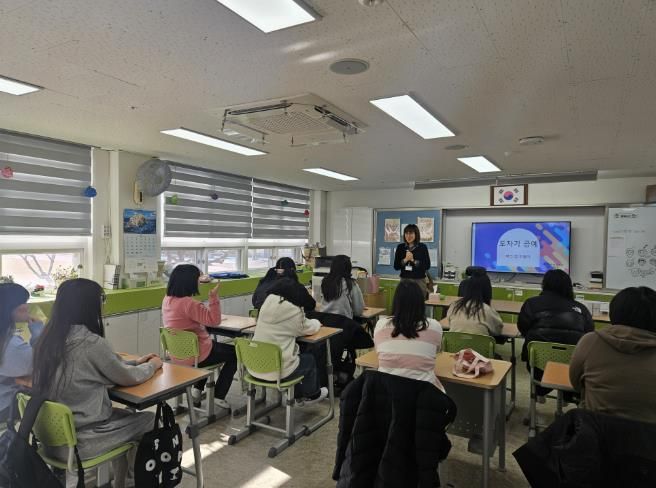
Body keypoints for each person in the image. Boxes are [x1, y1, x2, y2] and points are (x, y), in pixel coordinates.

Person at [32, 279, 162, 488]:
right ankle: (130, 483)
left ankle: (121, 481)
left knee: (129, 415)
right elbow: (129, 378)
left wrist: (134, 362)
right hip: (81, 441)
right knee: (149, 420)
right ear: (89, 305)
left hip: (49, 438)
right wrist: (152, 366)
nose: (103, 305)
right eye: (102, 300)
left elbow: (104, 366)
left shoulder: (47, 339)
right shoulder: (90, 343)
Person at [569, 286, 656, 424]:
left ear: (614, 312)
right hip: (647, 436)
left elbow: (576, 383)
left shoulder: (590, 341)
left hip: (595, 430)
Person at [162, 264, 237, 409]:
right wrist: (213, 297)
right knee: (234, 354)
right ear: (190, 281)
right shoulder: (190, 304)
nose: (199, 281)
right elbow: (214, 321)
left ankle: (197, 390)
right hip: (197, 355)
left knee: (212, 348)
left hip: (177, 354)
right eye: (198, 278)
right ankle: (219, 395)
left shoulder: (167, 299)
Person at [250, 278, 328, 404]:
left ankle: (298, 395)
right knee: (308, 360)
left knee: (293, 357)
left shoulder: (268, 301)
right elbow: (308, 328)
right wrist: (317, 322)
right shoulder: (294, 310)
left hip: (255, 365)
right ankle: (312, 395)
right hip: (276, 371)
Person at [518, 269, 593, 397]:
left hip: (538, 365)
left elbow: (523, 328)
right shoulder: (581, 309)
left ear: (544, 284)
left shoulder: (532, 303)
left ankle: (539, 393)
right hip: (571, 368)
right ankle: (566, 396)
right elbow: (589, 336)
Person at [373, 280, 445, 392]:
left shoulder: (381, 325)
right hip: (424, 395)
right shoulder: (435, 326)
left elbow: (378, 351)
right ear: (421, 303)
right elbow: (436, 351)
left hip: (387, 394)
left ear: (396, 302)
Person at [0, 283, 44, 421]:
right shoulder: (10, 345)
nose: (27, 306)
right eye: (24, 302)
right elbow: (41, 363)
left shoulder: (6, 338)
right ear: (11, 308)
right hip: (6, 406)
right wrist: (39, 333)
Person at [320, 255, 364, 319]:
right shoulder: (351, 284)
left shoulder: (325, 282)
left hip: (324, 321)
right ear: (348, 268)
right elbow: (358, 311)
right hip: (342, 322)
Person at [393, 224, 431, 298]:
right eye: (406, 233)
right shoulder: (400, 247)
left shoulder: (422, 247)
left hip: (419, 281)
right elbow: (396, 266)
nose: (408, 236)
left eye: (411, 233)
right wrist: (405, 260)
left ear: (416, 234)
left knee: (418, 303)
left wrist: (413, 260)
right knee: (404, 303)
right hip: (404, 281)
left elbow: (427, 266)